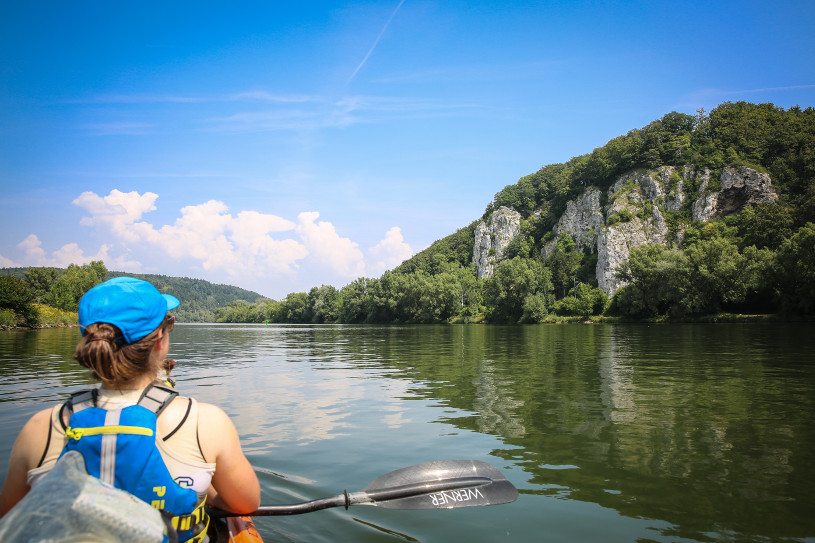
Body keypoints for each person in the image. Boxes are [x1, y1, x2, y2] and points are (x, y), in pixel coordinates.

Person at [0, 277, 260, 541]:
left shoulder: (40, 428)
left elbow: (9, 518)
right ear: (160, 338)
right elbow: (245, 503)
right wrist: (208, 494)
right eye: (169, 323)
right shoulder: (205, 422)